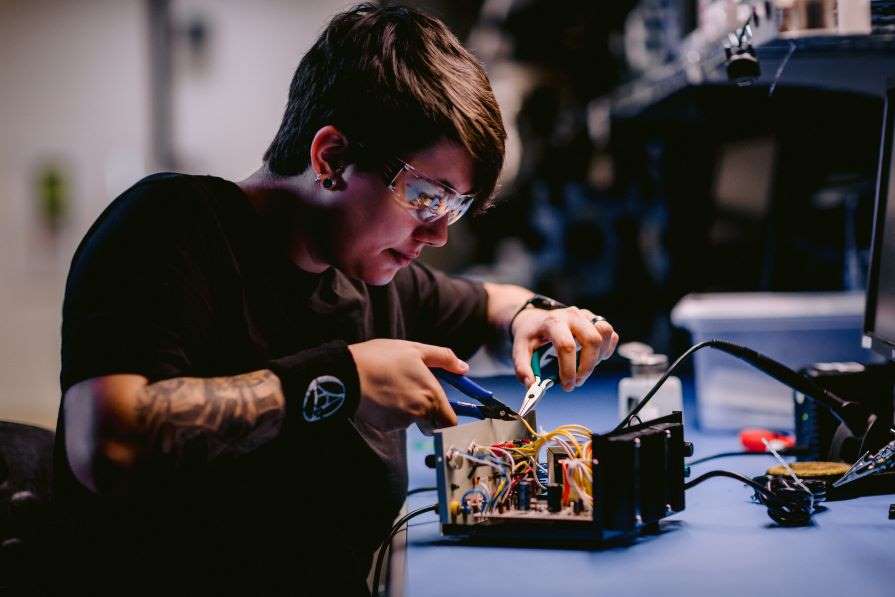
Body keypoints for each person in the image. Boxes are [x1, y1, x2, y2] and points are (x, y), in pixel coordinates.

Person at [53, 4, 618, 595]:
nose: (438, 234)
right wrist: (339, 383)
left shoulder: (372, 279)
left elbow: (495, 303)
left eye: (456, 207)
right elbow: (108, 443)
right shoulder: (169, 227)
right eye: (426, 196)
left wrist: (537, 316)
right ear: (331, 158)